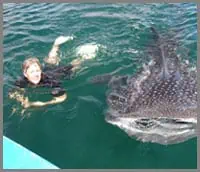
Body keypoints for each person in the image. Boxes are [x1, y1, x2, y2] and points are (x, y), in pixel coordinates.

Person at [9, 36, 85, 108]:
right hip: (48, 70)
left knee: (73, 66)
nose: (36, 74)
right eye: (32, 72)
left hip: (58, 72)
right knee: (50, 62)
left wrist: (40, 104)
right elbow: (13, 93)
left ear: (40, 71)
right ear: (25, 74)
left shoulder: (50, 82)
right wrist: (22, 100)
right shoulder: (21, 81)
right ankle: (55, 45)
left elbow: (62, 98)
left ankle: (84, 55)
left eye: (37, 71)